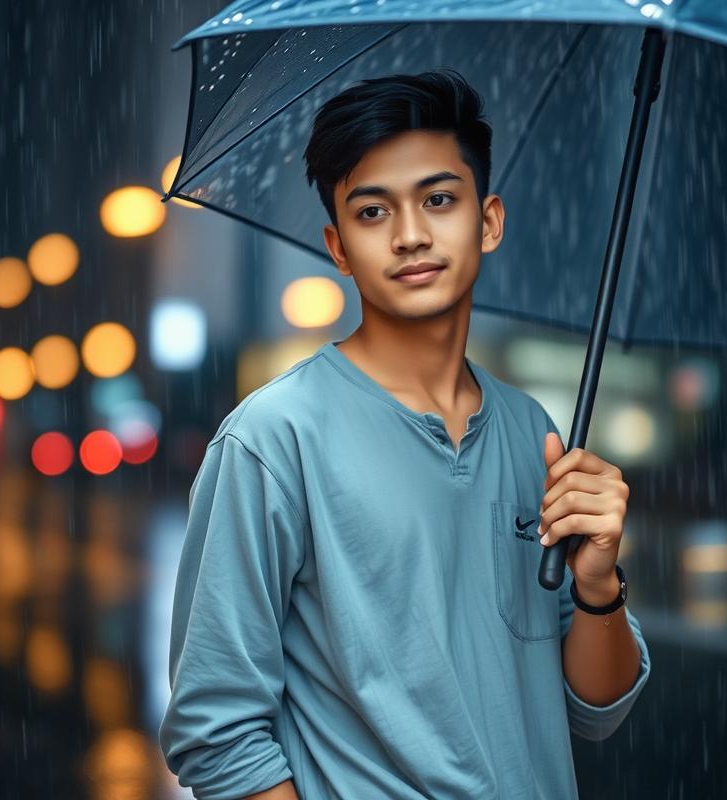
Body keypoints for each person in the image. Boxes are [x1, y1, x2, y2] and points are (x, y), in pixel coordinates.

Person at [158, 70, 651, 799]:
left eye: (439, 200)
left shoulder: (535, 434)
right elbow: (216, 730)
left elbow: (596, 709)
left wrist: (598, 582)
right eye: (372, 212)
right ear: (338, 245)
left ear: (489, 220)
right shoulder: (272, 440)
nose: (411, 235)